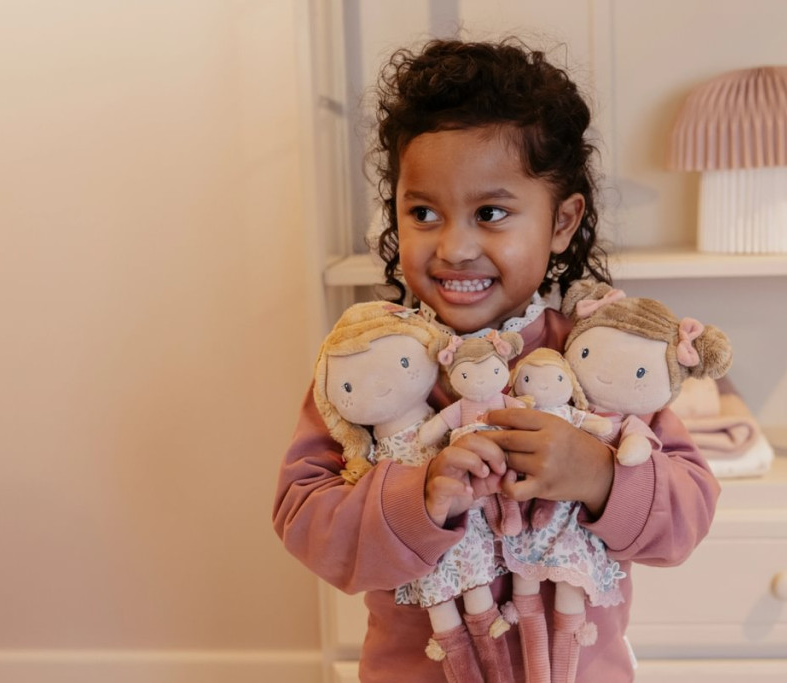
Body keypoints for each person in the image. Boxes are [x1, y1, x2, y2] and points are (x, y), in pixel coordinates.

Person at [273, 38, 720, 683]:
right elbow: (304, 518)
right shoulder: (367, 364)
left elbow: (687, 516)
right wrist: (419, 498)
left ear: (562, 222)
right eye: (423, 212)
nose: (454, 247)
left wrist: (598, 474)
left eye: (490, 213)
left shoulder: (601, 362)